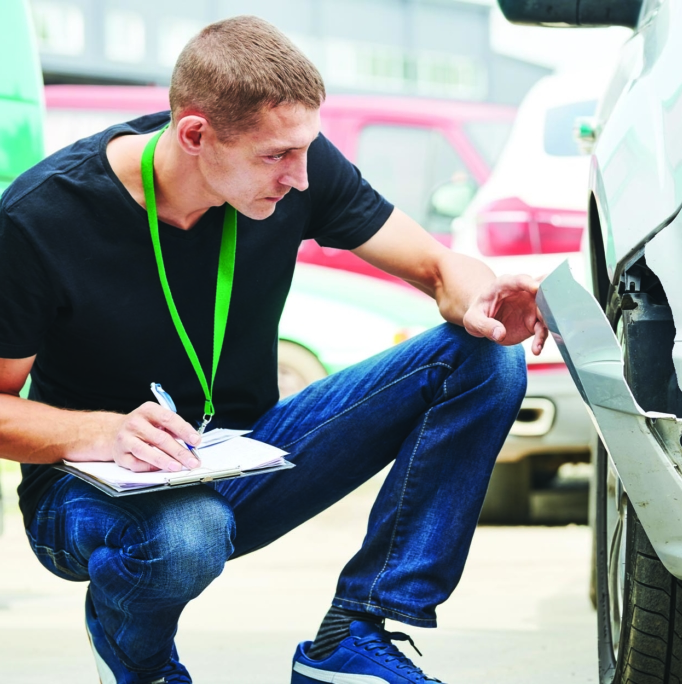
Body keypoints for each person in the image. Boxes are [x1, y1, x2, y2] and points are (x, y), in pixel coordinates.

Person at [0, 15, 547, 684]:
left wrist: (482, 298)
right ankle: (138, 661)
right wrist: (106, 432)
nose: (300, 177)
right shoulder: (40, 218)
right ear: (195, 134)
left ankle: (355, 632)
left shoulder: (295, 166)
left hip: (241, 454)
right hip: (88, 490)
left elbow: (435, 266)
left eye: (304, 150)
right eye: (276, 157)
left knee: (483, 359)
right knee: (185, 532)